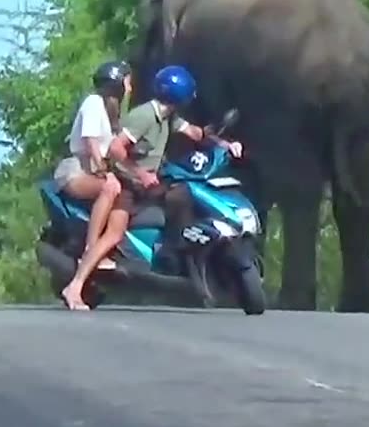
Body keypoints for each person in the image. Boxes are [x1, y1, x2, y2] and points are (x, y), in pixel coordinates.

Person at [60, 65, 244, 309]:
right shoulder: (144, 115)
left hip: (141, 183)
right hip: (125, 183)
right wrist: (139, 174)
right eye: (127, 81)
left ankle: (175, 250)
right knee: (113, 233)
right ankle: (76, 284)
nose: (130, 86)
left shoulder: (167, 116)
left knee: (182, 192)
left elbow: (195, 133)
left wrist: (225, 144)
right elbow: (116, 149)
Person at [51, 60, 131, 294]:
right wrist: (105, 173)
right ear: (116, 82)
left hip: (95, 168)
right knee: (110, 188)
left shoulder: (112, 111)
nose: (130, 88)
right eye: (127, 81)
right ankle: (91, 247)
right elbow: (91, 142)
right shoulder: (93, 103)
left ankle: (110, 252)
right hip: (76, 169)